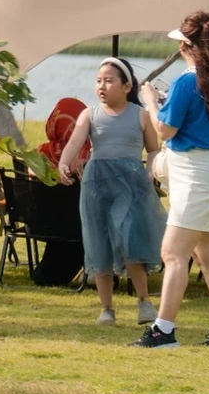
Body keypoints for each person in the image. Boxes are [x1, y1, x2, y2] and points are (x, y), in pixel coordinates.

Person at [138, 11, 209, 349]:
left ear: (187, 46)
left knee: (173, 254)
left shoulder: (187, 81)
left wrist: (150, 103)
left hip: (197, 177)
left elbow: (165, 130)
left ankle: (163, 331)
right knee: (207, 255)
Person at [60, 54, 163, 325]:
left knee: (129, 242)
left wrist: (151, 170)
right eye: (98, 81)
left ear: (127, 87)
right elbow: (74, 144)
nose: (102, 87)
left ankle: (144, 303)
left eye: (109, 81)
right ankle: (106, 308)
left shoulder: (140, 115)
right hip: (97, 185)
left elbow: (153, 150)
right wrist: (64, 162)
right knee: (99, 244)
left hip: (130, 185)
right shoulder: (89, 114)